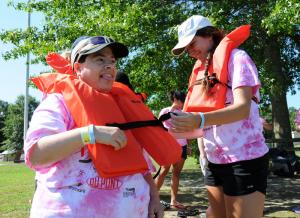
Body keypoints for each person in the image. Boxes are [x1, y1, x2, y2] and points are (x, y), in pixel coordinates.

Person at [24, 36, 164, 218]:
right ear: (78, 67)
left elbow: (140, 163)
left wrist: (154, 197)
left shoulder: (123, 107)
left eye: (112, 61)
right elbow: (36, 155)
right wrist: (90, 134)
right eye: (100, 59)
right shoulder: (58, 103)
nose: (109, 66)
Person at [170, 15, 269, 218]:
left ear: (209, 35)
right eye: (186, 48)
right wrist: (182, 126)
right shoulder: (200, 73)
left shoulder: (237, 58)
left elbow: (242, 108)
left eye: (191, 43)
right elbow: (201, 121)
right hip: (215, 161)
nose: (189, 51)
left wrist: (199, 120)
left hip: (243, 157)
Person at [154, 90, 188, 210]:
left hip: (182, 146)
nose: (183, 102)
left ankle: (173, 201)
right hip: (168, 146)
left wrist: (187, 146)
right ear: (176, 100)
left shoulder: (184, 112)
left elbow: (187, 130)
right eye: (181, 100)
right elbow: (157, 127)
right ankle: (153, 199)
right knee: (163, 171)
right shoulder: (165, 111)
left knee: (176, 174)